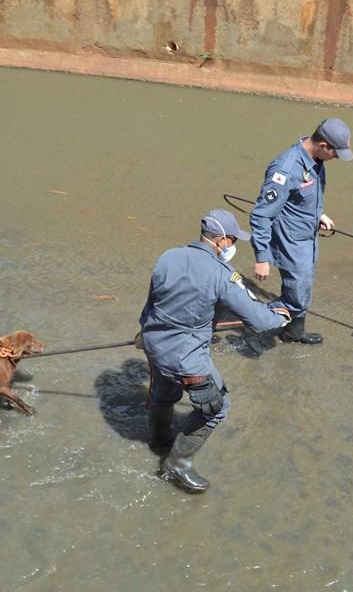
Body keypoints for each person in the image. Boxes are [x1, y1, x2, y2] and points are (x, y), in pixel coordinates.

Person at [137, 209, 290, 493]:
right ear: (221, 241)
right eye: (232, 241)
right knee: (216, 408)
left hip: (153, 342)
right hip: (186, 357)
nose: (232, 247)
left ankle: (158, 439)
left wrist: (143, 332)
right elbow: (257, 320)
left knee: (163, 391)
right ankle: (176, 464)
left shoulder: (169, 256)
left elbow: (152, 302)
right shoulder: (223, 275)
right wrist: (279, 316)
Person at [249, 118, 353, 344]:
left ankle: (293, 331)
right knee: (297, 298)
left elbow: (303, 198)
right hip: (290, 241)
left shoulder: (315, 160)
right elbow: (261, 214)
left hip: (307, 237)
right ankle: (249, 317)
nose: (336, 158)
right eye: (336, 153)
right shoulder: (286, 169)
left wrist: (319, 215)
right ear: (324, 145)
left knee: (302, 287)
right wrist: (262, 257)